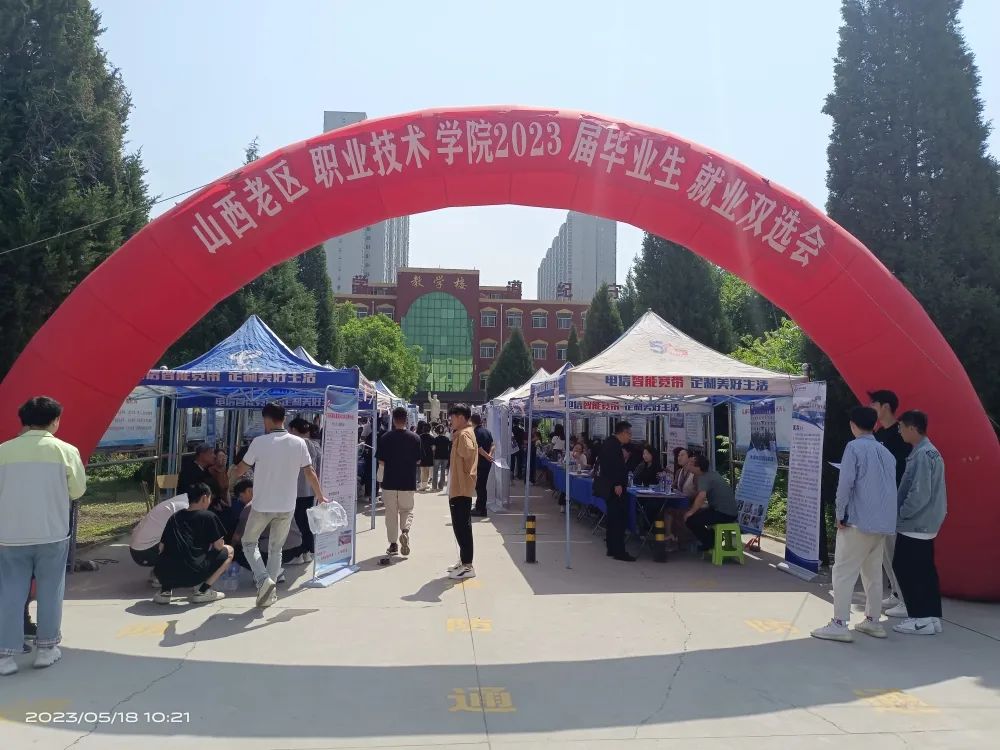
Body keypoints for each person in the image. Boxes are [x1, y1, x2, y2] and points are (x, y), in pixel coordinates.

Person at [0, 397, 87, 676]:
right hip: (52, 533)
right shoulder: (66, 451)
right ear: (55, 421)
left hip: (10, 535)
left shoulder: (3, 451)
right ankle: (46, 650)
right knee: (51, 591)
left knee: (10, 592)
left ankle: (5, 656)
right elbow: (78, 491)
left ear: (23, 420)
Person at [811, 407, 898, 643]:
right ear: (875, 425)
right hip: (882, 523)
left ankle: (839, 623)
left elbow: (845, 484)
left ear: (852, 425)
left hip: (858, 520)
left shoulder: (854, 447)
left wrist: (840, 513)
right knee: (873, 574)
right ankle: (872, 621)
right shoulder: (886, 452)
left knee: (843, 572)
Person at [230, 403, 327, 609]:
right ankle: (269, 592)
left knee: (248, 543)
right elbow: (310, 472)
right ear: (284, 419)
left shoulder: (259, 442)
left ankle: (263, 579)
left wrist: (230, 476)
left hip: (262, 505)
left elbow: (240, 470)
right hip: (287, 505)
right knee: (276, 549)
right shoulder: (299, 443)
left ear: (267, 419)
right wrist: (320, 496)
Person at [890, 410, 947, 636]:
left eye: (901, 427)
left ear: (912, 428)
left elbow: (919, 493)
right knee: (924, 570)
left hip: (916, 522)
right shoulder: (929, 451)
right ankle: (931, 617)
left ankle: (919, 618)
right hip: (926, 522)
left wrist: (901, 514)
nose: (899, 431)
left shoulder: (922, 454)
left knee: (905, 567)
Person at [152, 483, 234, 605]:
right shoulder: (209, 516)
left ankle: (165, 591)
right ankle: (202, 591)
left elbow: (161, 547)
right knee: (229, 550)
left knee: (171, 557)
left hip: (164, 574)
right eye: (210, 498)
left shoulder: (174, 517)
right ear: (204, 498)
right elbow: (219, 546)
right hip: (193, 575)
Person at [868, 390, 912, 613]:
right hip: (879, 501)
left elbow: (902, 469)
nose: (871, 407)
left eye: (873, 403)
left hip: (895, 500)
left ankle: (907, 600)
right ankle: (896, 593)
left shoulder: (899, 433)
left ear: (885, 406)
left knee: (896, 551)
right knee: (886, 551)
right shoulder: (878, 434)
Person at [377, 407, 421, 563]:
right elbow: (418, 460)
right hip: (407, 481)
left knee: (390, 514)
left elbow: (381, 460)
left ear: (393, 420)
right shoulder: (415, 438)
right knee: (407, 510)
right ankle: (405, 531)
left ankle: (393, 544)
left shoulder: (385, 437)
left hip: (389, 481)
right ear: (406, 419)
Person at [446, 404, 478, 580]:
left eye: (452, 417)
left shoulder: (464, 434)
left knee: (462, 526)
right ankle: (464, 560)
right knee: (459, 526)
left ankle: (467, 565)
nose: (450, 420)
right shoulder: (463, 433)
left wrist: (457, 437)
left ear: (460, 417)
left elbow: (468, 454)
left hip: (461, 487)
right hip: (458, 487)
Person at [595, 421, 635, 562]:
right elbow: (611, 467)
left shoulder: (611, 443)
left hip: (611, 487)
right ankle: (619, 551)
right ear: (623, 432)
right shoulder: (612, 445)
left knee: (613, 519)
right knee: (618, 520)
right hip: (615, 488)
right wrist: (617, 483)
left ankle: (612, 548)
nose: (630, 437)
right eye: (629, 434)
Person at [130, 492, 190, 584]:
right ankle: (162, 575)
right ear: (204, 498)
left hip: (137, 549)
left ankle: (158, 572)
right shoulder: (185, 507)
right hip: (144, 551)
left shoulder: (179, 500)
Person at [683, 455, 739, 552]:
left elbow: (701, 496)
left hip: (724, 513)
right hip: (727, 511)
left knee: (690, 520)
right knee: (699, 514)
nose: (688, 465)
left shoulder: (704, 477)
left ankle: (711, 543)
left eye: (690, 464)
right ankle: (713, 540)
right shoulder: (711, 473)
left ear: (698, 467)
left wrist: (691, 512)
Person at [288, 417, 321, 566]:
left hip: (296, 490)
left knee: (297, 523)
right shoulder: (315, 445)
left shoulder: (295, 444)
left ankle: (300, 552)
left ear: (294, 430)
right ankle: (309, 550)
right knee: (307, 522)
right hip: (310, 489)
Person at [470, 413, 494, 517]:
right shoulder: (487, 431)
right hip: (487, 463)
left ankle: (481, 509)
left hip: (480, 463)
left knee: (480, 487)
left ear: (472, 421)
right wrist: (490, 455)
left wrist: (486, 456)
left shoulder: (475, 432)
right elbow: (493, 445)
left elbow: (478, 448)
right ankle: (480, 507)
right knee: (482, 486)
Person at [432, 424, 451, 492]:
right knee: (443, 472)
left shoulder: (435, 439)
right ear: (444, 431)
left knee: (435, 472)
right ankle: (441, 486)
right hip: (445, 457)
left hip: (437, 457)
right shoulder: (447, 439)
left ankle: (434, 486)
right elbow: (449, 448)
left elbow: (433, 448)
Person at [418, 422, 435, 492]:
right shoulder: (432, 437)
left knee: (423, 471)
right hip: (429, 456)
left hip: (422, 457)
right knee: (427, 471)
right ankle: (425, 484)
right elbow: (433, 448)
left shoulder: (419, 437)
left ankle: (423, 485)